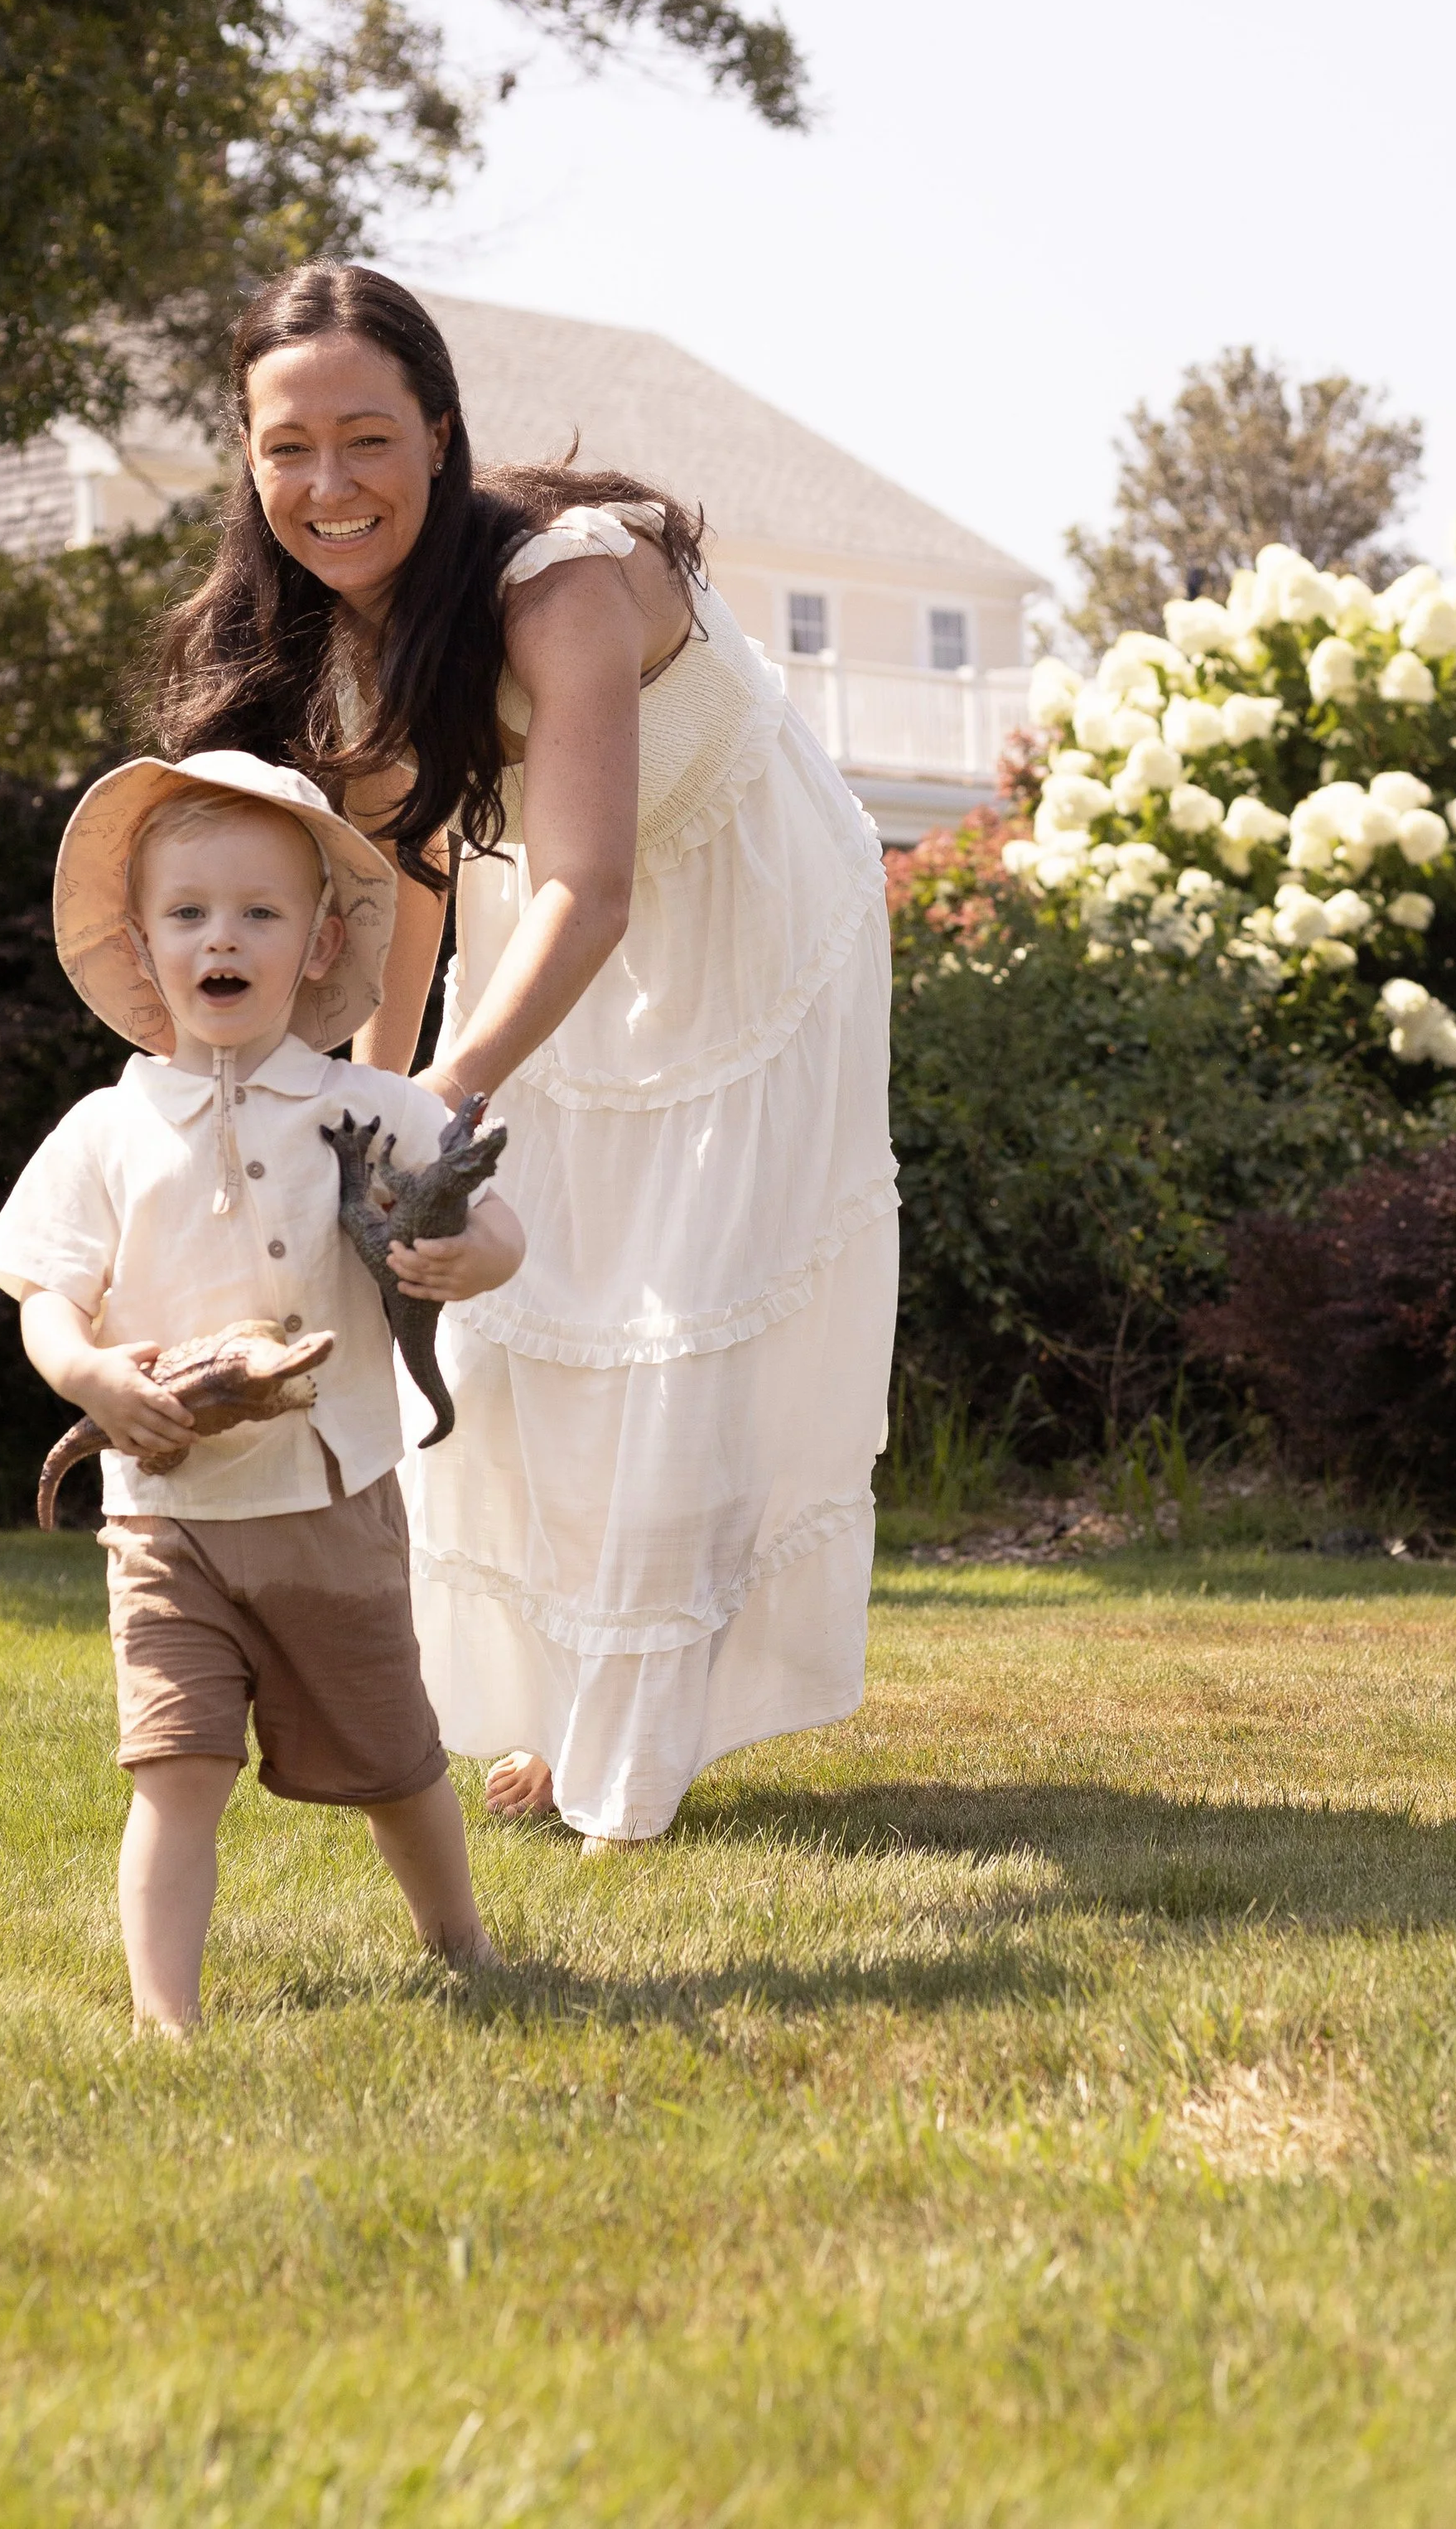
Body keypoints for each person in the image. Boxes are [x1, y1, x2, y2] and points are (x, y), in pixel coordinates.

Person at [154, 267, 898, 1851]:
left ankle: (626, 1752)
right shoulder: (341, 630)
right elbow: (412, 879)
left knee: (675, 1304)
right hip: (542, 899)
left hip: (740, 917)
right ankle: (558, 1708)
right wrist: (354, 1104)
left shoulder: (563, 582)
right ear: (248, 457)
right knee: (515, 1312)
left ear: (439, 432)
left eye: (367, 437)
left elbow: (596, 885)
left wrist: (442, 1095)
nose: (328, 483)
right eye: (288, 447)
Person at [0, 748, 525, 2029]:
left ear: (321, 939)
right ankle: (166, 2017)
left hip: (332, 1501)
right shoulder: (105, 1131)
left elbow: (499, 1228)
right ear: (143, 939)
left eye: (259, 912)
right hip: (166, 1519)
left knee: (395, 1760)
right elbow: (47, 1299)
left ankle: (461, 1940)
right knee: (174, 1767)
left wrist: (462, 1254)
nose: (223, 937)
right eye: (189, 913)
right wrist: (93, 1373)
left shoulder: (372, 1106)